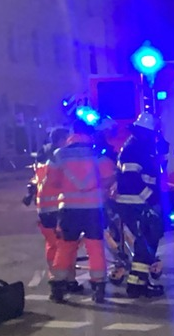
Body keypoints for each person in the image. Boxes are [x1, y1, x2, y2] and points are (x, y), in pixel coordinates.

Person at [43, 119, 116, 304]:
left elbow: (51, 181)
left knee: (66, 247)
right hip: (93, 210)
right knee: (95, 247)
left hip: (69, 209)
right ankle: (98, 288)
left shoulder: (60, 155)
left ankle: (58, 288)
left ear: (71, 134)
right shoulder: (97, 154)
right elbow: (109, 178)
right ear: (89, 134)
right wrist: (96, 186)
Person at [115, 112, 165, 298]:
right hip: (135, 204)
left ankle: (140, 283)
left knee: (146, 243)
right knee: (146, 242)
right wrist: (151, 198)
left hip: (139, 204)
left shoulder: (138, 147)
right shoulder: (134, 149)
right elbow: (130, 180)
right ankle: (137, 286)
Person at [32, 126, 71, 291]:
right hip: (57, 206)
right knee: (65, 245)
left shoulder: (42, 157)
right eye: (67, 138)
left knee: (51, 244)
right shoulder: (59, 157)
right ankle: (62, 281)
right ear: (61, 140)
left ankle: (54, 275)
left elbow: (35, 182)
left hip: (43, 208)